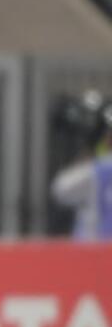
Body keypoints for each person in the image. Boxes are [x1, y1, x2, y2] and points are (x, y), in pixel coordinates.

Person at [51, 98, 112, 240]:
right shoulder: (98, 168)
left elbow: (61, 189)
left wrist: (86, 159)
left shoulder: (96, 170)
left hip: (93, 249)